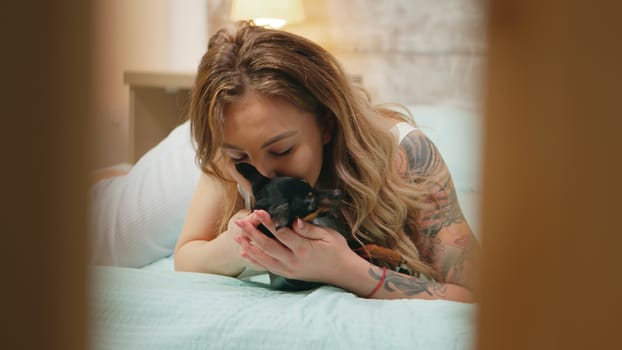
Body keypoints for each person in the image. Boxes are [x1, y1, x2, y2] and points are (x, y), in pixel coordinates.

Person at [174, 21, 480, 302]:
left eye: (282, 150)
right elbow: (186, 255)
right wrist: (237, 247)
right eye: (240, 157)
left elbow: (478, 295)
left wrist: (344, 268)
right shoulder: (230, 157)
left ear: (327, 125)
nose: (265, 175)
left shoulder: (406, 156)